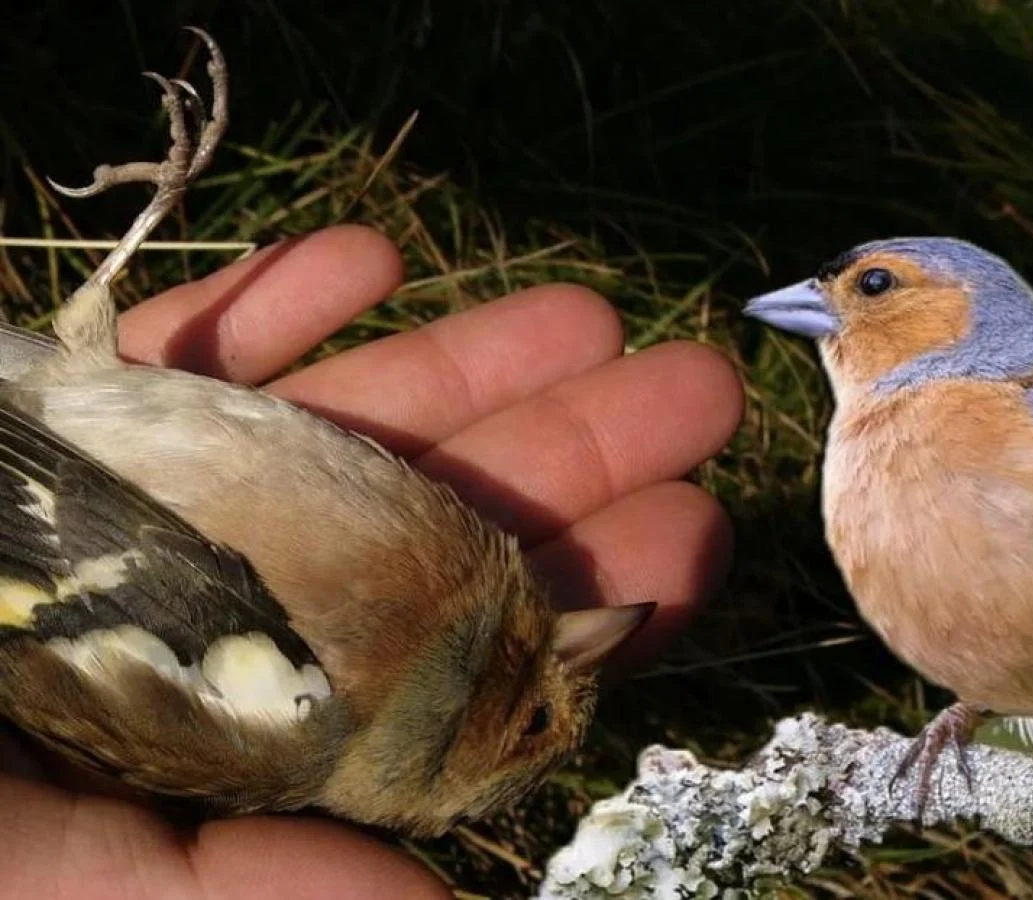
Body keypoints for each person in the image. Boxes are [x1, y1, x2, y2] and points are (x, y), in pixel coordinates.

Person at [0, 224, 744, 898]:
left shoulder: (287, 727)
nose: (585, 649)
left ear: (456, 749)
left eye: (538, 713)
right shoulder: (432, 604)